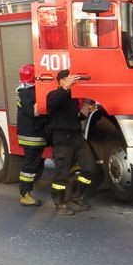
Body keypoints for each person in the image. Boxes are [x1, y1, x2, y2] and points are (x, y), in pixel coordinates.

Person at [46, 70, 98, 215]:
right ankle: (59, 204)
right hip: (62, 138)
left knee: (90, 168)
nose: (74, 82)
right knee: (62, 173)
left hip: (76, 136)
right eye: (70, 79)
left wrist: (86, 109)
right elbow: (53, 103)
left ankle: (75, 197)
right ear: (62, 81)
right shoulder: (54, 95)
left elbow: (77, 117)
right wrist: (65, 88)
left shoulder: (73, 98)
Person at [15, 64, 47, 207]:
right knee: (29, 167)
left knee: (33, 165)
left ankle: (25, 192)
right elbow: (34, 112)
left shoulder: (24, 90)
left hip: (32, 134)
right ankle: (25, 195)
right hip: (32, 135)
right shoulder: (29, 93)